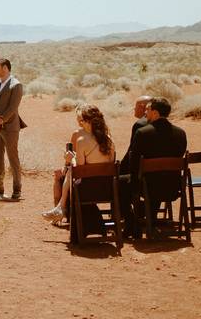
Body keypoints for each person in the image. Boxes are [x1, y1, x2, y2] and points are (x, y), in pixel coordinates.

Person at [121, 98, 188, 237]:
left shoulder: (143, 133)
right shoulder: (181, 134)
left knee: (119, 182)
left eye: (148, 111)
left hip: (148, 187)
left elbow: (133, 164)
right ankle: (150, 218)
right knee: (156, 176)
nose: (146, 114)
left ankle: (131, 222)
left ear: (156, 113)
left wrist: (133, 185)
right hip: (173, 186)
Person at [42, 104, 115, 223]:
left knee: (71, 170)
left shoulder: (82, 141)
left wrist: (71, 159)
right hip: (109, 189)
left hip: (87, 190)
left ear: (89, 121)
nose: (79, 123)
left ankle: (61, 207)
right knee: (70, 170)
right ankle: (60, 207)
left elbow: (79, 169)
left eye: (81, 120)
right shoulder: (109, 139)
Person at [0, 58, 25, 201]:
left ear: (5, 68)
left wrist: (0, 120)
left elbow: (13, 108)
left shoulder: (16, 85)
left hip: (10, 128)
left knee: (12, 158)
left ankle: (17, 189)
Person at [119, 95, 151, 175]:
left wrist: (121, 168)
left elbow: (132, 151)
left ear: (142, 107)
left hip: (141, 173)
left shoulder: (140, 125)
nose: (134, 108)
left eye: (135, 106)